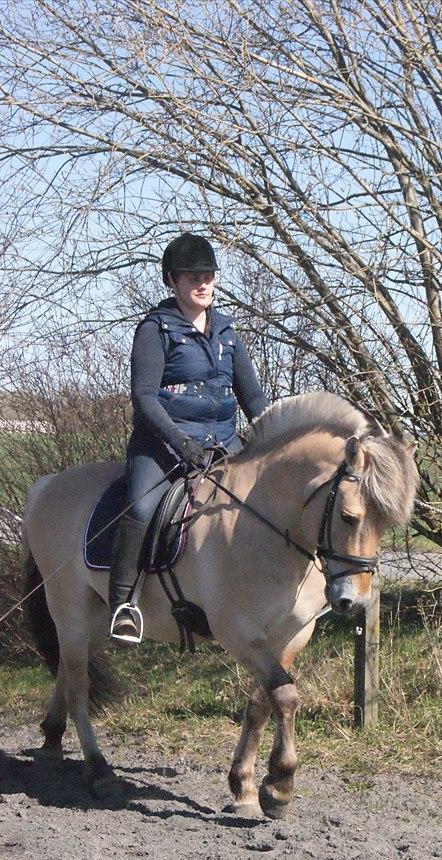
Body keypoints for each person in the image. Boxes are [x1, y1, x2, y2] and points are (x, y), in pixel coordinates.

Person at [109, 232, 269, 642]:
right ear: (171, 281)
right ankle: (124, 604)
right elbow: (144, 398)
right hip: (163, 445)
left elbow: (251, 396)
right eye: (192, 276)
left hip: (222, 443)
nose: (203, 283)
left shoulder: (228, 333)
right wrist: (181, 443)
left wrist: (274, 435)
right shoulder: (155, 329)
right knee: (143, 508)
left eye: (209, 275)